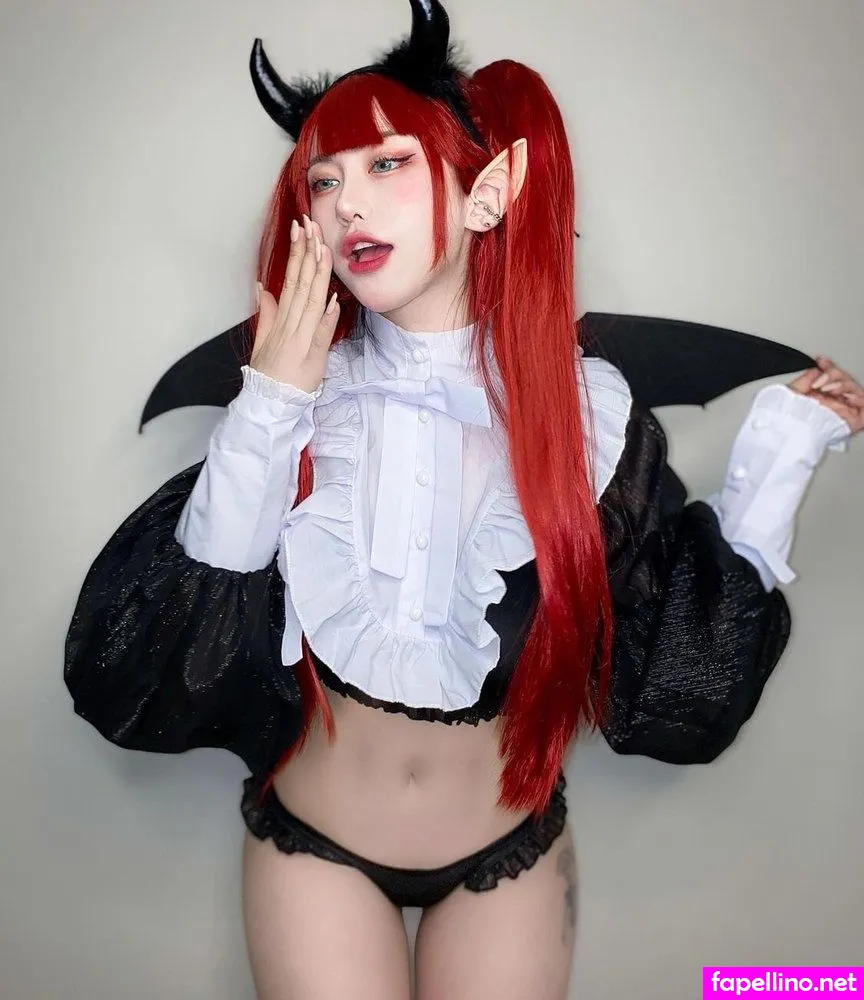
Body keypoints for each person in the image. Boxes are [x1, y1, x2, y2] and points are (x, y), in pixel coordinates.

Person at [64, 2, 862, 997]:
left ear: (488, 192)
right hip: (313, 842)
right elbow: (160, 651)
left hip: (506, 851)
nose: (347, 204)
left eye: (386, 163)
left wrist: (784, 451)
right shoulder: (296, 398)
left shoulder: (586, 412)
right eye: (324, 179)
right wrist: (270, 404)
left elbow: (680, 666)